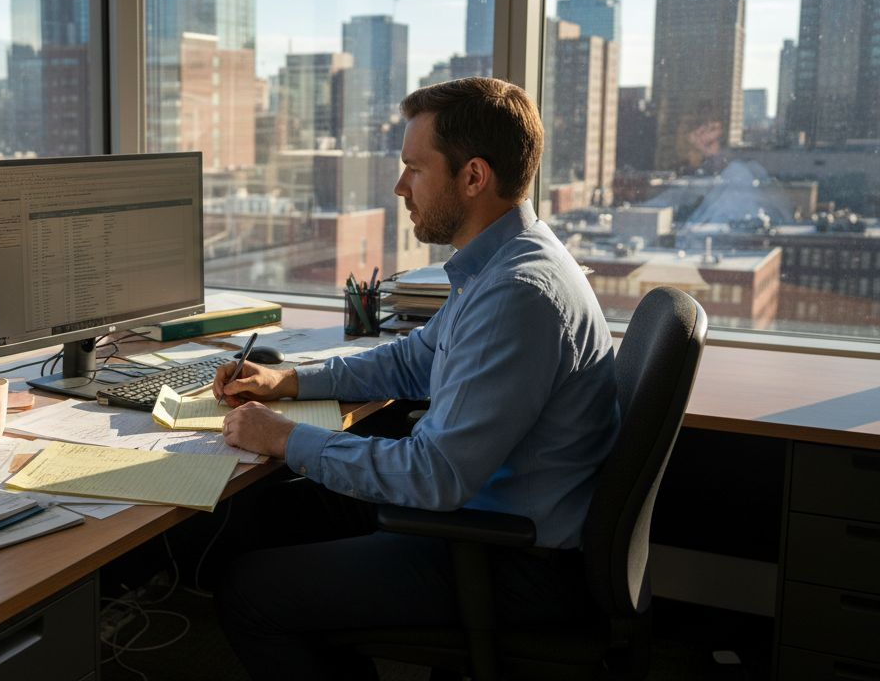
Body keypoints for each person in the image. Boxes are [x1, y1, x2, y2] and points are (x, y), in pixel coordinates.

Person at [209, 77, 621, 680]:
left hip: (511, 555)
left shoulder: (517, 293)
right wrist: (287, 382)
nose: (400, 186)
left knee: (250, 591)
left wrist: (283, 438)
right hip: (486, 518)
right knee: (265, 515)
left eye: (413, 168)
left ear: (473, 177)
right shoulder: (504, 259)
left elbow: (436, 476)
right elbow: (412, 360)